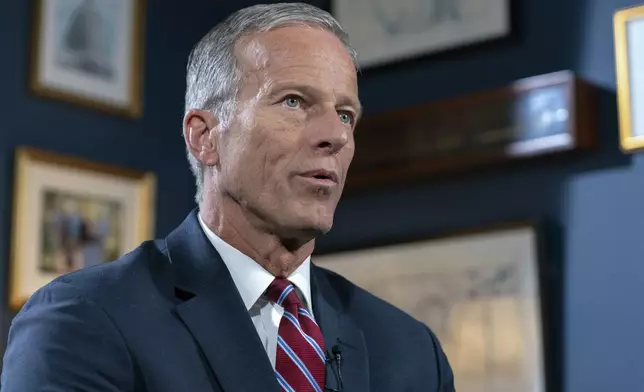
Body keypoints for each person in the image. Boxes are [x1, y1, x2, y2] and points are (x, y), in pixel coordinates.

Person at [1, 3, 455, 391]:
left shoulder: (411, 351)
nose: (334, 135)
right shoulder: (85, 320)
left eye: (345, 114)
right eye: (294, 102)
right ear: (205, 137)